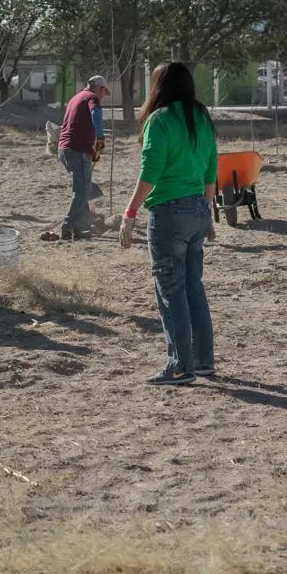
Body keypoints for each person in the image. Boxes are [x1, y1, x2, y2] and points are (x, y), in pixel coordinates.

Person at [118, 62, 218, 386]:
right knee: (193, 287)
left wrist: (129, 213)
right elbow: (210, 170)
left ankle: (179, 366)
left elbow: (151, 172)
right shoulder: (201, 118)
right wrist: (209, 214)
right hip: (198, 210)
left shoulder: (159, 120)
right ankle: (203, 361)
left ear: (157, 86)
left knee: (170, 290)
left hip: (169, 213)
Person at [57, 75, 109, 240]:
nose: (102, 96)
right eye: (103, 92)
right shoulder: (92, 97)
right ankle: (68, 226)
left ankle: (82, 227)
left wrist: (92, 149)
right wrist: (100, 137)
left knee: (83, 188)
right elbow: (96, 113)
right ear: (99, 88)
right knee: (82, 191)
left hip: (64, 149)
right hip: (77, 149)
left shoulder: (75, 98)